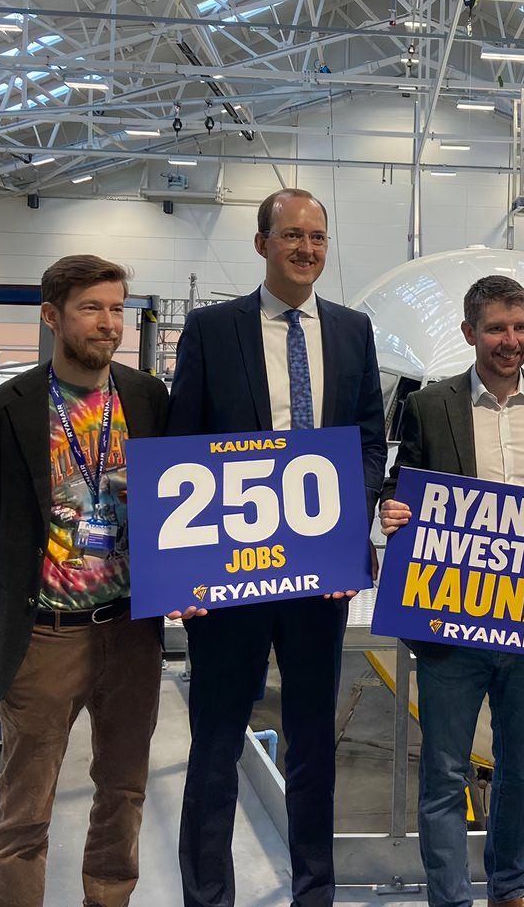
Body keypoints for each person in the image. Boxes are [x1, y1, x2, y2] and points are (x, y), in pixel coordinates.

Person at [168, 188, 385, 907]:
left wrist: (348, 535)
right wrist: (182, 577)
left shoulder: (354, 331)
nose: (307, 249)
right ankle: (209, 896)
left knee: (314, 747)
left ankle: (314, 893)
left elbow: (366, 442)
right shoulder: (211, 329)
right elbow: (181, 449)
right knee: (216, 745)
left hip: (317, 579)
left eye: (318, 237)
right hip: (229, 573)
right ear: (261, 244)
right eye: (292, 235)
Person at [0, 254, 170, 907]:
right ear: (51, 316)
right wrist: (21, 595)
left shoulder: (148, 398)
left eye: (117, 309)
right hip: (44, 637)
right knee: (27, 810)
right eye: (91, 308)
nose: (108, 324)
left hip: (131, 631)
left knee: (123, 792)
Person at [377, 275, 524, 907]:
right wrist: (390, 508)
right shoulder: (430, 405)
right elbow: (398, 482)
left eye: (520, 327)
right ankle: (450, 898)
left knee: (520, 770)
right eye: (496, 328)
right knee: (443, 773)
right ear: (470, 334)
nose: (510, 341)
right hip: (450, 624)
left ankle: (509, 887)